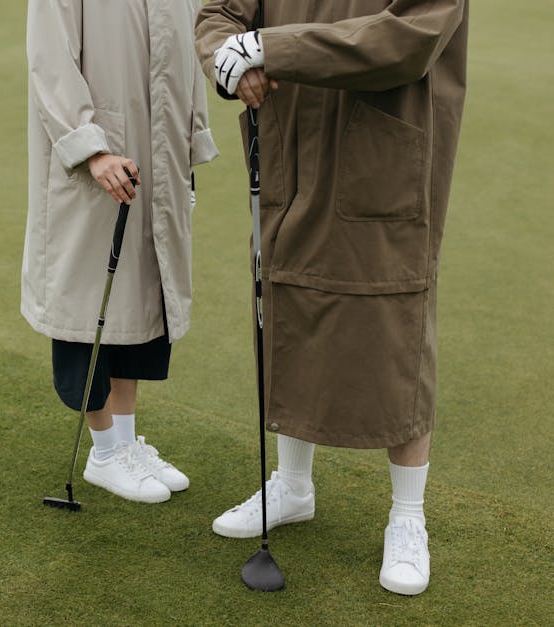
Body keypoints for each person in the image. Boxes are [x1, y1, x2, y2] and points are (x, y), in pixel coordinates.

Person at [195, 0, 468, 594]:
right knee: (287, 303)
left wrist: (271, 49)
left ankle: (407, 516)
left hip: (382, 149)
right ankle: (292, 487)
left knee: (397, 322)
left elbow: (408, 37)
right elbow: (220, 12)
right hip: (288, 140)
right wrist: (228, 57)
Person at [23, 0, 218, 503]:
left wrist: (191, 144)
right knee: (89, 302)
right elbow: (50, 60)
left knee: (140, 299)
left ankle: (125, 444)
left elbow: (185, 55)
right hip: (96, 163)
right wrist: (91, 149)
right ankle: (105, 449)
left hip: (158, 157)